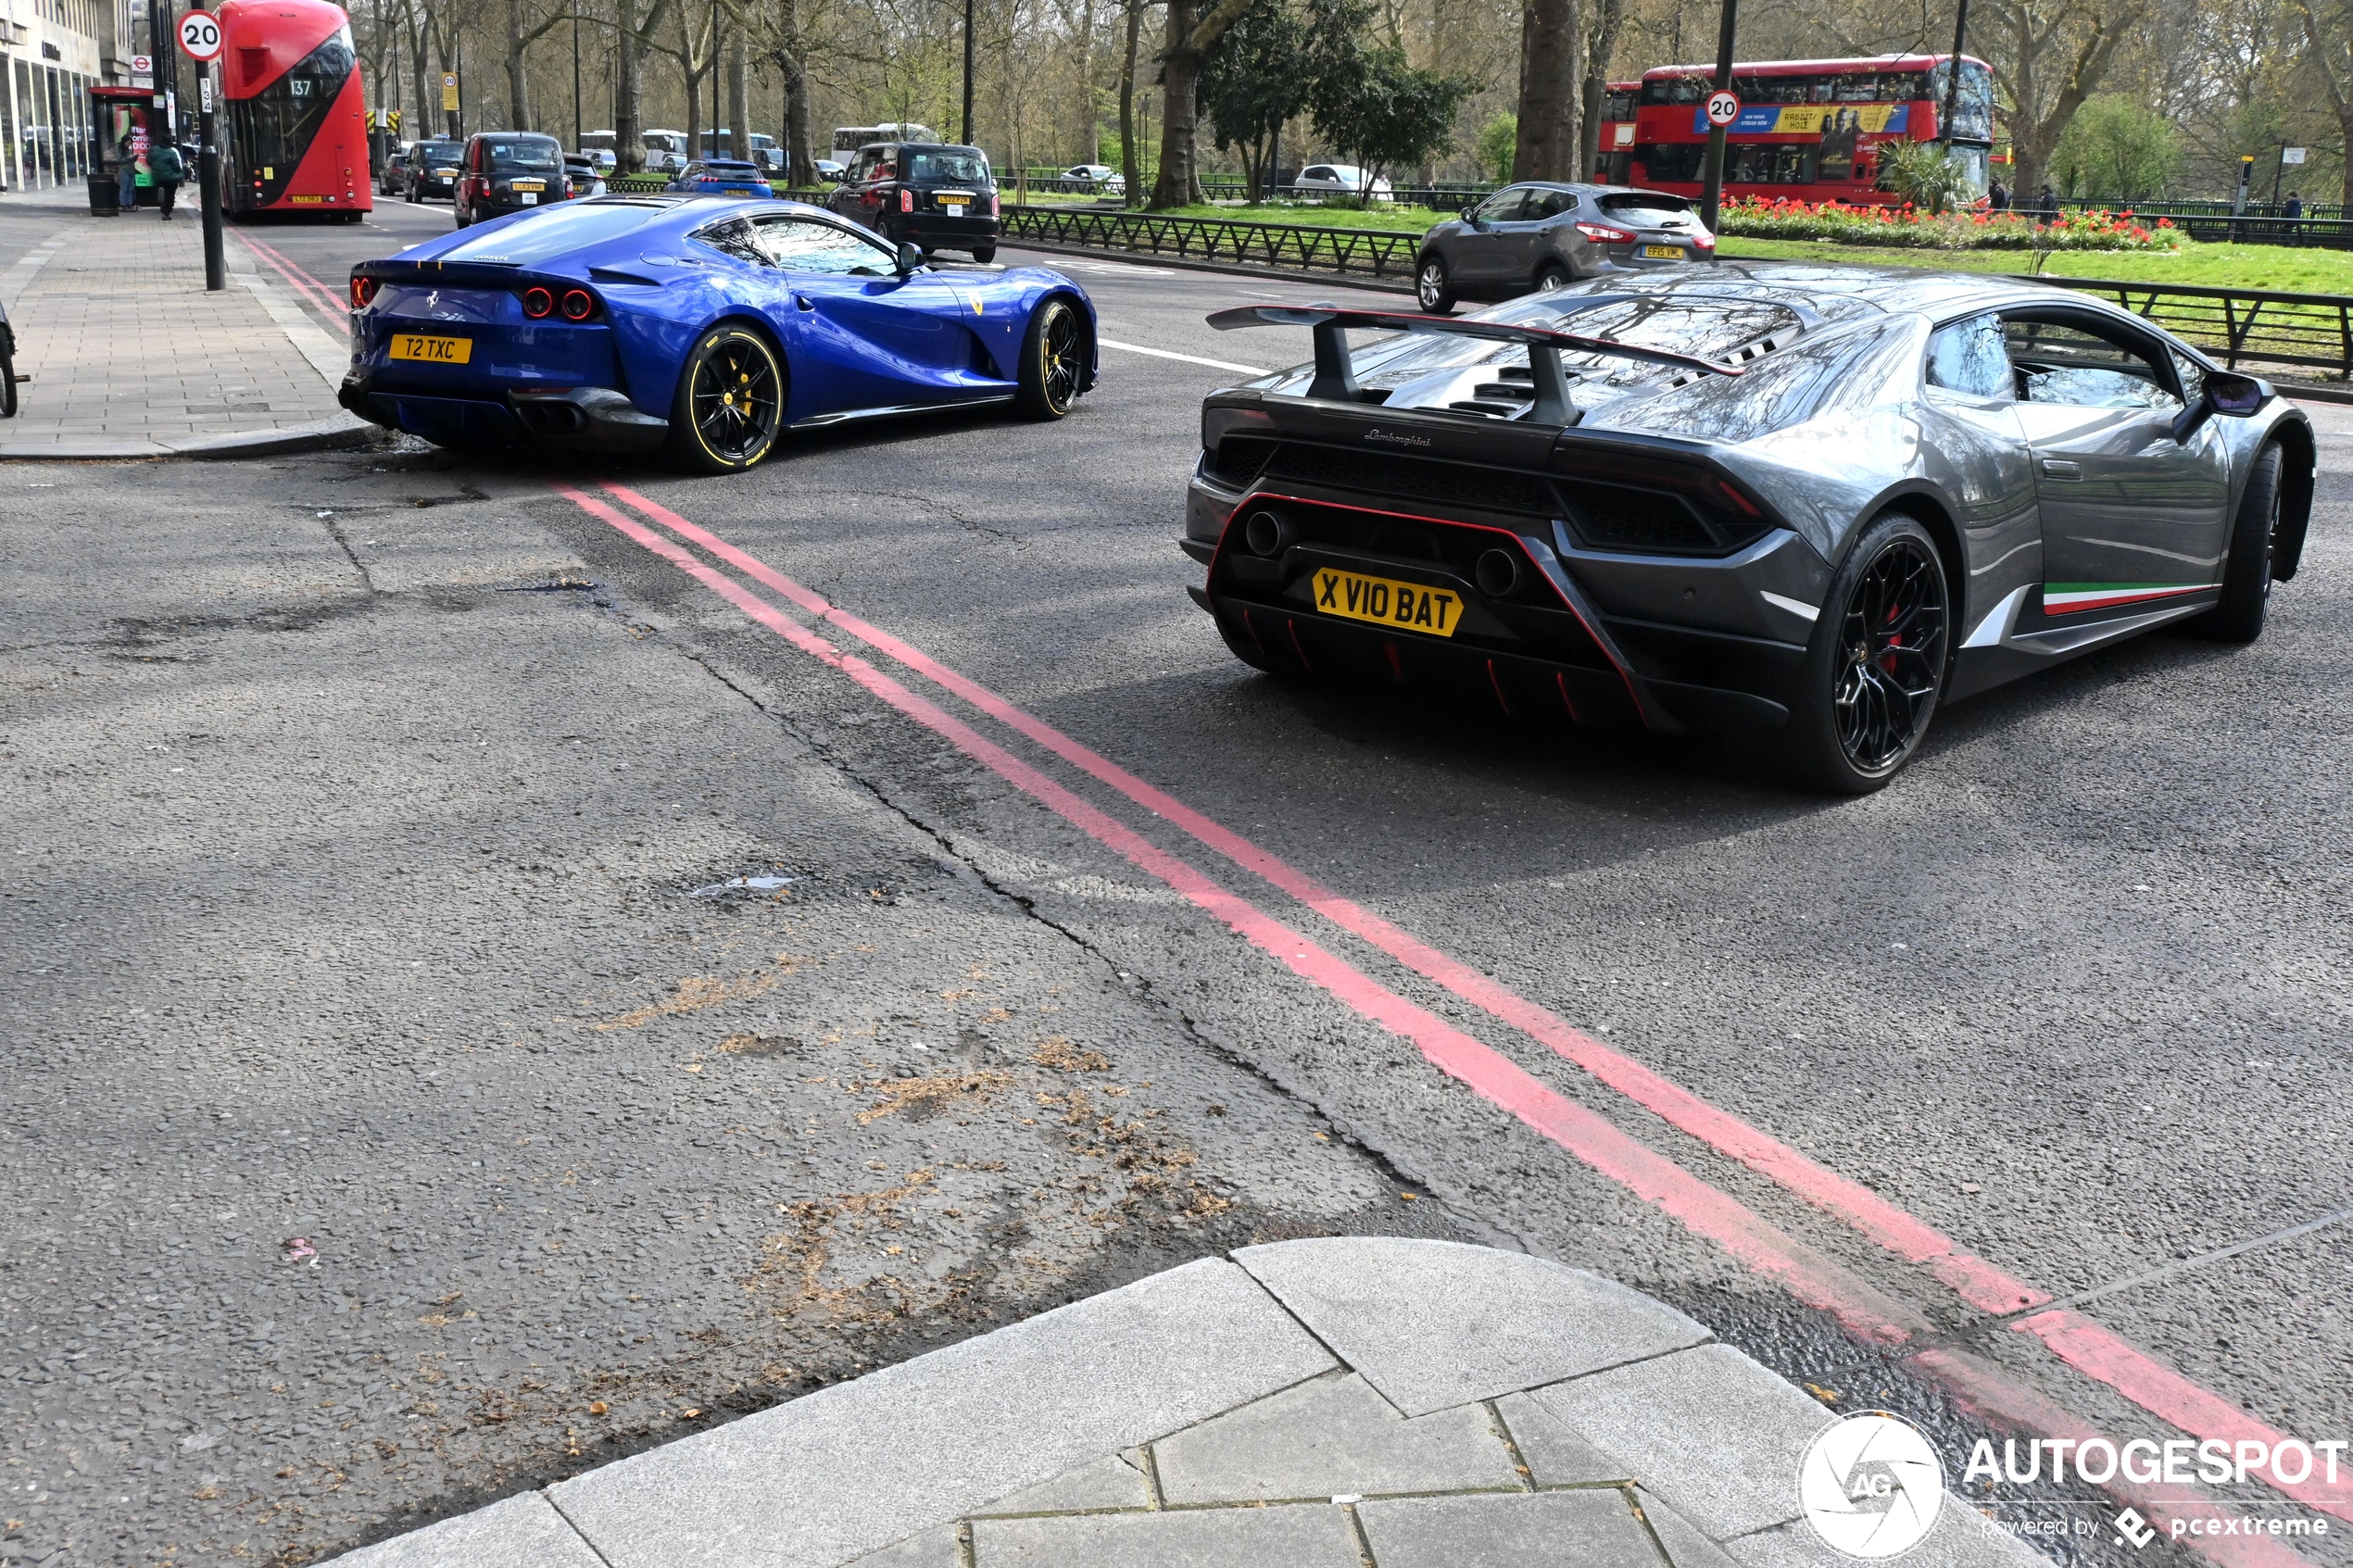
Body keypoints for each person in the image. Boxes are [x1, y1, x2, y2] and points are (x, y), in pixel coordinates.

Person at [150, 138, 184, 220]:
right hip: (170, 177)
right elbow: (177, 166)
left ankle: (162, 199)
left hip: (158, 176)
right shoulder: (172, 151)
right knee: (170, 195)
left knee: (163, 190)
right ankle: (166, 213)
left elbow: (149, 161)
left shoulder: (153, 150)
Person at [115, 131, 137, 214]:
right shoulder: (120, 150)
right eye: (128, 142)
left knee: (130, 189)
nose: (129, 144)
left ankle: (129, 204)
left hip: (131, 170)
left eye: (130, 143)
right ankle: (123, 204)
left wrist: (134, 158)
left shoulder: (129, 150)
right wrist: (129, 158)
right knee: (124, 188)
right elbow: (119, 160)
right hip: (124, 171)